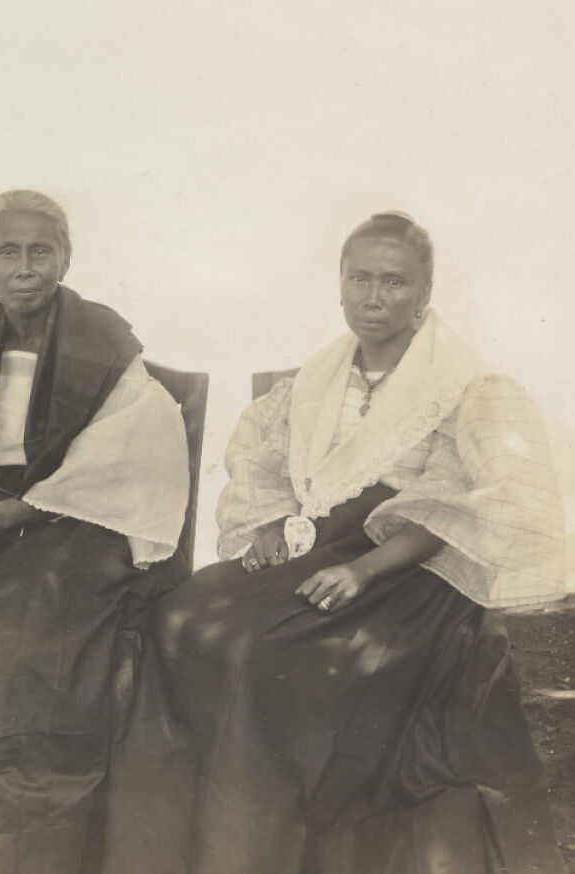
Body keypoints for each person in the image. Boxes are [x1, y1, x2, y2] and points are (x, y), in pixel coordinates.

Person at [105, 212, 566, 874]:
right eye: (360, 279)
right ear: (341, 286)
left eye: (394, 282)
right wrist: (267, 522)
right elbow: (265, 458)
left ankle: (259, 846)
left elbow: (479, 504)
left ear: (424, 293)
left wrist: (366, 571)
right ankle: (179, 845)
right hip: (320, 538)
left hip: (412, 564)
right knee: (179, 615)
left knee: (262, 657)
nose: (374, 297)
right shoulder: (319, 378)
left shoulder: (466, 385)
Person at [0, 190, 189, 874]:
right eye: (8, 252)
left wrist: (16, 513)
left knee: (22, 636)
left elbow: (138, 451)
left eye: (40, 252)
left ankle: (16, 822)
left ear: (65, 260)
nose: (25, 268)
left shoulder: (102, 349)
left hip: (73, 525)